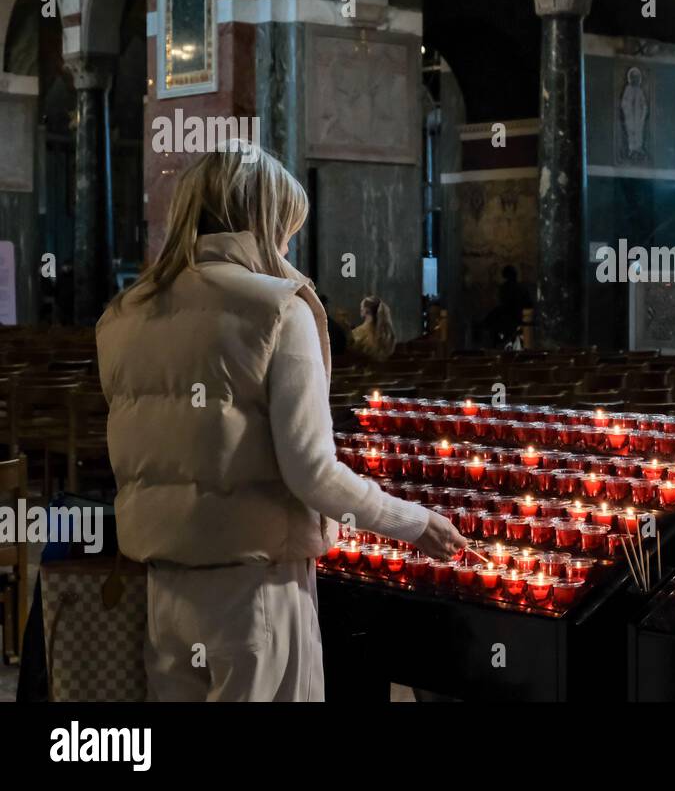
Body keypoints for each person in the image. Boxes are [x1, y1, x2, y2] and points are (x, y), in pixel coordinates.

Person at [96, 148, 466, 701]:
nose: (288, 246)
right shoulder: (277, 310)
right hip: (256, 593)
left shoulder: (125, 312)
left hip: (165, 587)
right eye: (287, 230)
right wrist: (412, 522)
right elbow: (311, 472)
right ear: (263, 221)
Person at [351, 295, 396, 361]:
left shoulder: (358, 333)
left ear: (366, 310)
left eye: (361, 307)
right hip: (385, 369)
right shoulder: (387, 333)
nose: (360, 309)